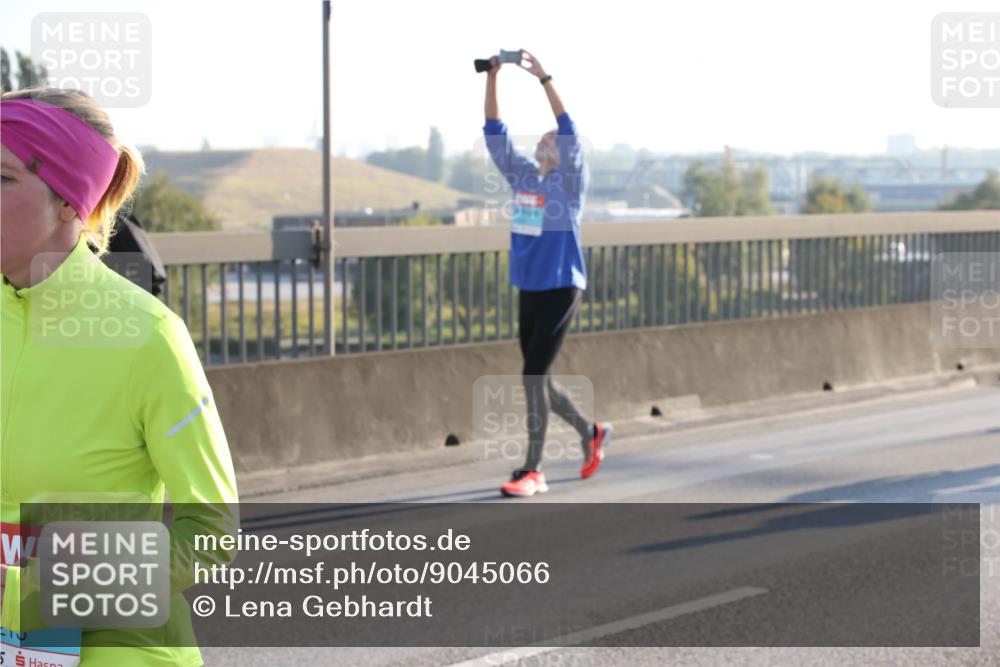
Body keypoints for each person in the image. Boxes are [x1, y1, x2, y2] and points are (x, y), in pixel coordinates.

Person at [0, 88, 239, 666]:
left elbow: (211, 531)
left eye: (1, 178)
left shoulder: (147, 336)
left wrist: (38, 591)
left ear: (68, 203)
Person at [482, 51, 612, 498]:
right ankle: (591, 431)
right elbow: (495, 132)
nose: (549, 137)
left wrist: (544, 78)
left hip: (561, 286)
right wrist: (493, 78)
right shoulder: (522, 176)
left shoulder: (569, 184)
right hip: (529, 287)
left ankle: (532, 470)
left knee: (532, 376)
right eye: (546, 135)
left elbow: (570, 130)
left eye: (554, 138)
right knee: (540, 376)